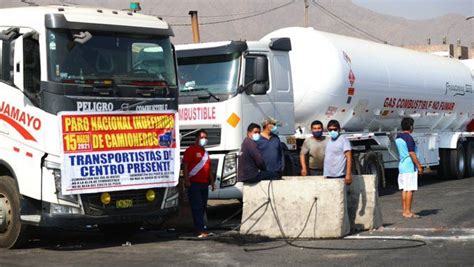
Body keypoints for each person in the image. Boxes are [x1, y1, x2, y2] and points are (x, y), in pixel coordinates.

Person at [182, 130, 215, 238]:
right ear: (196, 138)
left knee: (203, 206)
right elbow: (185, 166)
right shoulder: (190, 150)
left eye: (206, 137)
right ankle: (199, 230)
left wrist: (212, 181)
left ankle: (202, 228)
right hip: (194, 183)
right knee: (197, 206)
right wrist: (186, 180)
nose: (204, 139)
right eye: (202, 137)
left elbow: (208, 168)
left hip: (204, 183)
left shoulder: (205, 153)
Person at [395, 117, 423, 219]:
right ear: (411, 126)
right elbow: (412, 153)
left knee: (404, 190)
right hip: (409, 166)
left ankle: (404, 211)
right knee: (410, 189)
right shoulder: (409, 138)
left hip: (402, 166)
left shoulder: (398, 137)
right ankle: (408, 211)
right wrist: (419, 166)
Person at [323, 120, 352, 185]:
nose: (332, 132)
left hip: (339, 175)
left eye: (335, 129)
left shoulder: (343, 140)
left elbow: (349, 157)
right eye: (330, 130)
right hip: (329, 175)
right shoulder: (328, 141)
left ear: (339, 129)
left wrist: (348, 174)